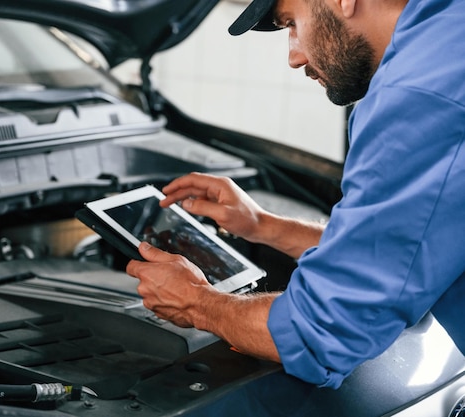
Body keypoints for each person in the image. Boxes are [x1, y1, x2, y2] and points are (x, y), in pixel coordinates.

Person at [126, 0, 465, 390]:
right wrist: (263, 226)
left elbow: (321, 333)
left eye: (291, 22)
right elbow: (408, 247)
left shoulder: (418, 96)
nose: (294, 56)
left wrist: (197, 302)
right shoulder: (448, 37)